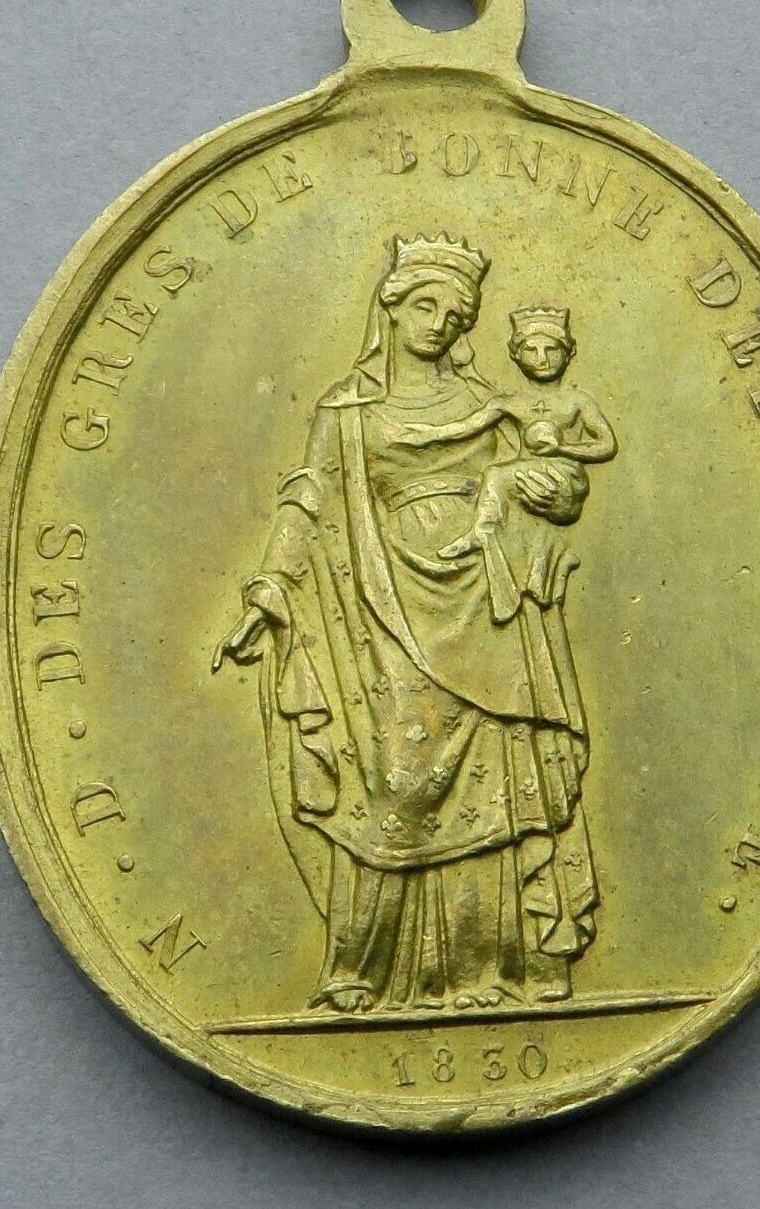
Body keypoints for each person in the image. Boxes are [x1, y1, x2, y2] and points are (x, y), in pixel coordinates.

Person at [212, 234, 599, 1015]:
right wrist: (268, 590)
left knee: (499, 785)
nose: (439, 324)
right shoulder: (346, 410)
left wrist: (540, 483)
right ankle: (371, 968)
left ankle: (497, 969)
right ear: (389, 306)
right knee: (396, 779)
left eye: (455, 315)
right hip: (384, 599)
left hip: (485, 596)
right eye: (426, 305)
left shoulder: (488, 403)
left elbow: (565, 484)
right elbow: (309, 498)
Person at [393, 306, 617, 623]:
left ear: (569, 353)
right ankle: (495, 548)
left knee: (498, 474)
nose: (542, 358)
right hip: (521, 481)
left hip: (564, 476)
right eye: (531, 350)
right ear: (516, 355)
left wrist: (561, 447)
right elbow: (468, 426)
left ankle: (482, 532)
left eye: (552, 349)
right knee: (501, 481)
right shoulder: (510, 401)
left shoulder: (577, 401)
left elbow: (606, 444)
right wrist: (430, 434)